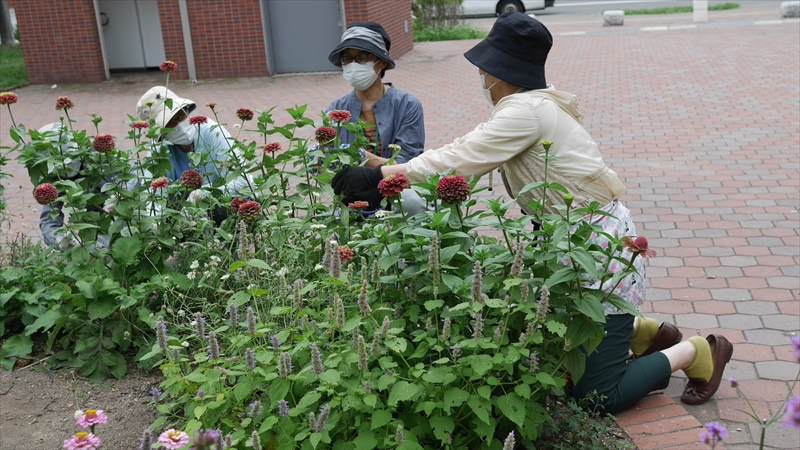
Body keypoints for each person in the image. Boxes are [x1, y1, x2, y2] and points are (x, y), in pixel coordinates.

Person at [331, 12, 733, 414]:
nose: (482, 79)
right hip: (577, 245)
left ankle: (695, 352)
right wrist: (379, 169)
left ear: (499, 72)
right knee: (560, 350)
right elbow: (463, 146)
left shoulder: (525, 112)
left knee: (596, 397)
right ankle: (640, 332)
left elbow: (459, 159)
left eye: (484, 70)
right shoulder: (535, 103)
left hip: (595, 252)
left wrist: (380, 175)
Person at [136, 86, 253, 222]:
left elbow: (242, 181)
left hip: (222, 206)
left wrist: (201, 194)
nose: (179, 123)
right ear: (161, 132)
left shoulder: (212, 132)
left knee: (220, 210)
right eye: (172, 122)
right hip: (183, 213)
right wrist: (155, 226)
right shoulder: (160, 148)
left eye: (181, 115)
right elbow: (153, 192)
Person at [326, 21, 425, 166]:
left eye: (361, 58)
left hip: (395, 187)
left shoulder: (406, 105)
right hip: (349, 189)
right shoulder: (336, 109)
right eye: (347, 59)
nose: (353, 65)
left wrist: (360, 156)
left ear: (382, 62)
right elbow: (328, 160)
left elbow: (408, 164)